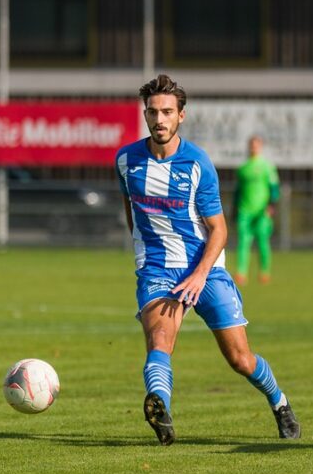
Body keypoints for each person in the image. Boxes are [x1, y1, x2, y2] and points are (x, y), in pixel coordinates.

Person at [116, 75, 300, 445]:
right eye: (152, 112)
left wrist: (200, 274)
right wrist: (145, 255)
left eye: (167, 112)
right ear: (145, 114)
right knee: (160, 339)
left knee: (240, 359)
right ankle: (161, 412)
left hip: (206, 269)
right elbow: (131, 212)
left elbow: (219, 230)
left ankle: (279, 403)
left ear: (181, 115)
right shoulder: (126, 160)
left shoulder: (197, 163)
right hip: (157, 269)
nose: (159, 119)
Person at [233, 135, 280, 285]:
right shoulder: (243, 168)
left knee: (262, 242)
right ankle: (241, 273)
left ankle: (264, 272)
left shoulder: (267, 167)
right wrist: (234, 209)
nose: (254, 148)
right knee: (243, 242)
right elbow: (238, 191)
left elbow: (274, 187)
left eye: (256, 145)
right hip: (245, 211)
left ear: (261, 147)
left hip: (261, 211)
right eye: (252, 145)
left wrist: (271, 205)